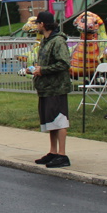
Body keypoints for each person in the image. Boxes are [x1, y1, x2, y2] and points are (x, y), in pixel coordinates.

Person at [31, 10, 73, 168]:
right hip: (46, 87)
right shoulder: (46, 40)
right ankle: (53, 151)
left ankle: (62, 154)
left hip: (57, 87)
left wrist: (43, 70)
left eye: (37, 23)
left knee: (60, 120)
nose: (37, 26)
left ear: (42, 24)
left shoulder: (58, 41)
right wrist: (36, 69)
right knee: (50, 121)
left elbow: (64, 63)